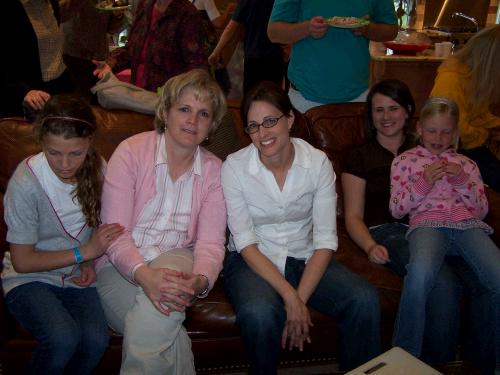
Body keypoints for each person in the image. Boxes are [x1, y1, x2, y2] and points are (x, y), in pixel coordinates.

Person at [221, 81, 381, 374]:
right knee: (259, 314)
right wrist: (289, 296)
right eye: (253, 126)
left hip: (305, 255)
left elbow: (324, 240)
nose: (263, 133)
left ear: (290, 119)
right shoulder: (234, 167)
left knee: (364, 299)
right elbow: (244, 242)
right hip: (252, 260)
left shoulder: (318, 163)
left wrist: (300, 299)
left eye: (270, 121)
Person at [342, 80, 494, 368]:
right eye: (378, 110)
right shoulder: (360, 155)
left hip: (442, 226)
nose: (386, 117)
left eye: (393, 108)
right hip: (388, 231)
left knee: (483, 284)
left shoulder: (433, 145)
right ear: (370, 115)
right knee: (442, 282)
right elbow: (352, 216)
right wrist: (370, 245)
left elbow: (472, 199)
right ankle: (426, 366)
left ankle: (480, 363)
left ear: (409, 112)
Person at [95, 69, 227, 374]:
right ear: (165, 112)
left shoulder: (216, 172)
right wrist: (144, 275)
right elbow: (114, 234)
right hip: (118, 266)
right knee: (162, 327)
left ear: (212, 126)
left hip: (176, 258)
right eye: (184, 109)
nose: (192, 120)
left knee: (159, 310)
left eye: (203, 113)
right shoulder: (130, 152)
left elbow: (210, 243)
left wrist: (201, 280)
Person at [1, 94, 124, 374]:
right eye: (54, 152)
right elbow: (22, 261)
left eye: (75, 153)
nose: (65, 164)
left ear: (89, 143)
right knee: (62, 338)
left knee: (96, 340)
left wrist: (89, 262)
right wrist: (85, 253)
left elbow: (98, 225)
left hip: (76, 278)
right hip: (27, 279)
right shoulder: (25, 182)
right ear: (41, 142)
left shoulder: (99, 168)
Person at [389, 96, 500, 372]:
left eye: (446, 131)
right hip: (427, 224)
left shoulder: (467, 164)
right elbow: (397, 209)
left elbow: (481, 210)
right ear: (419, 129)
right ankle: (403, 357)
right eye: (432, 131)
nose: (439, 138)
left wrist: (461, 180)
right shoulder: (405, 161)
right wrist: (424, 181)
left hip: (466, 225)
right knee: (420, 273)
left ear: (456, 133)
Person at [267, 0, 398, 113]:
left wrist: (368, 29)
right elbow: (274, 33)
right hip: (304, 97)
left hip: (357, 95)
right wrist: (307, 29)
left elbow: (391, 30)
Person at [430, 25, 500, 191]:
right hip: (451, 153)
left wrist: (495, 124)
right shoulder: (451, 80)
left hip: (469, 148)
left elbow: (478, 113)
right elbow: (457, 132)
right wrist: (487, 133)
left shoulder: (472, 75)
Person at [93, 0, 208, 93]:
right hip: (137, 95)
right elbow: (131, 51)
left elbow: (196, 67)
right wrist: (110, 63)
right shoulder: (145, 6)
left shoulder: (188, 15)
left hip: (166, 102)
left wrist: (176, 94)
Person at [0, 0, 74, 119]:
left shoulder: (51, 3)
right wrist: (23, 92)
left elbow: (52, 49)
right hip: (25, 96)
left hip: (59, 88)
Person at [208, 0, 285, 94]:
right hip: (275, 56)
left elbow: (230, 29)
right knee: (273, 96)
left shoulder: (246, 1)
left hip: (253, 55)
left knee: (251, 95)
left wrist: (216, 52)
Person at [62, 0, 126, 100]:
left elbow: (113, 29)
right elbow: (60, 15)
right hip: (72, 54)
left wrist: (118, 15)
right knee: (75, 101)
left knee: (98, 101)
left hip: (99, 58)